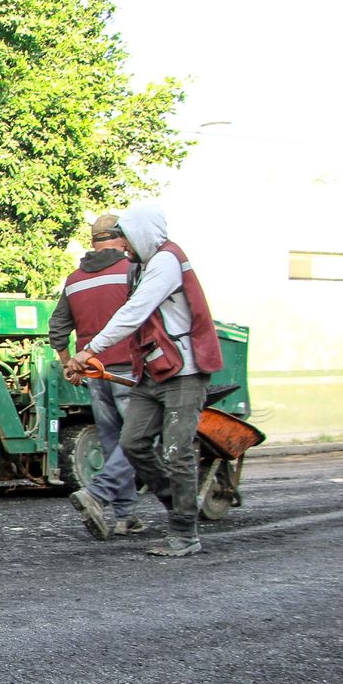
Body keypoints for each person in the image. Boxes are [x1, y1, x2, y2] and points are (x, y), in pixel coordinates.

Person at [66, 205, 224, 557]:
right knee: (133, 443)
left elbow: (134, 312)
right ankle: (178, 506)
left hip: (184, 372)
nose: (122, 246)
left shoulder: (166, 262)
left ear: (141, 235)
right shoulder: (141, 265)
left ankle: (184, 533)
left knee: (176, 453)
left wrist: (89, 350)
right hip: (153, 371)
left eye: (126, 239)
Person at [52, 214, 144, 539]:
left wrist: (68, 364)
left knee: (112, 442)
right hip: (129, 371)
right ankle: (97, 494)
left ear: (93, 242)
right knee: (141, 439)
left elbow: (57, 328)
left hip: (95, 373)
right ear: (120, 239)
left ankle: (126, 516)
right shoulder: (132, 271)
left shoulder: (74, 279)